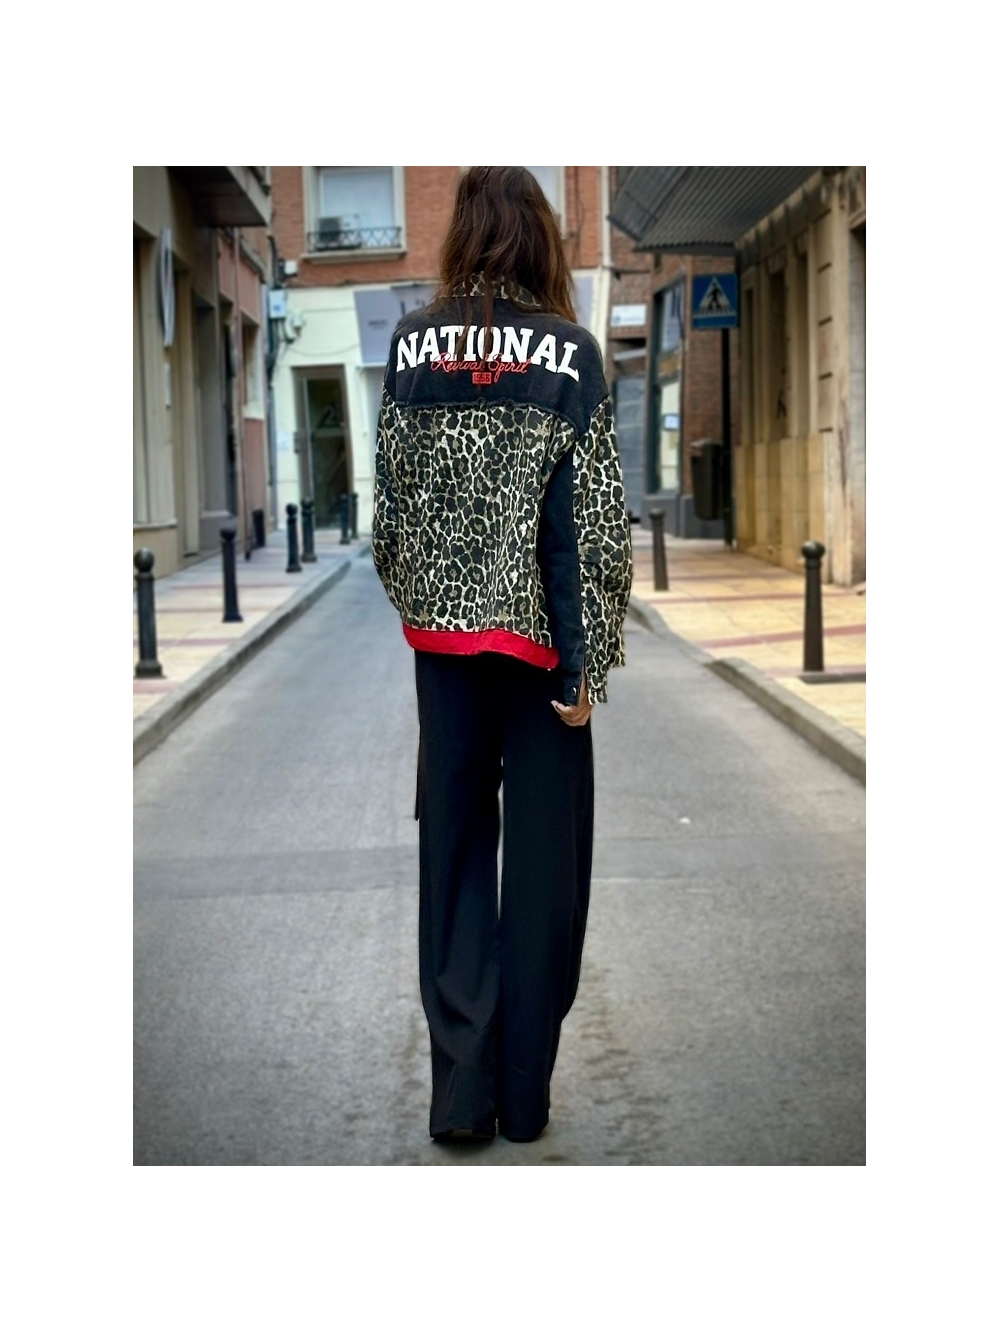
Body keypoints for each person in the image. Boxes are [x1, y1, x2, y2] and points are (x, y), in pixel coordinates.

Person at [373, 166, 632, 1145]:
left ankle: (459, 1095)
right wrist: (583, 665)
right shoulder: (569, 354)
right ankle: (523, 1096)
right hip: (542, 657)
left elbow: (388, 516)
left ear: (462, 234)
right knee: (543, 869)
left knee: (452, 857)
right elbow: (591, 529)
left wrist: (428, 605)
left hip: (444, 655)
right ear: (537, 237)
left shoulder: (411, 344)